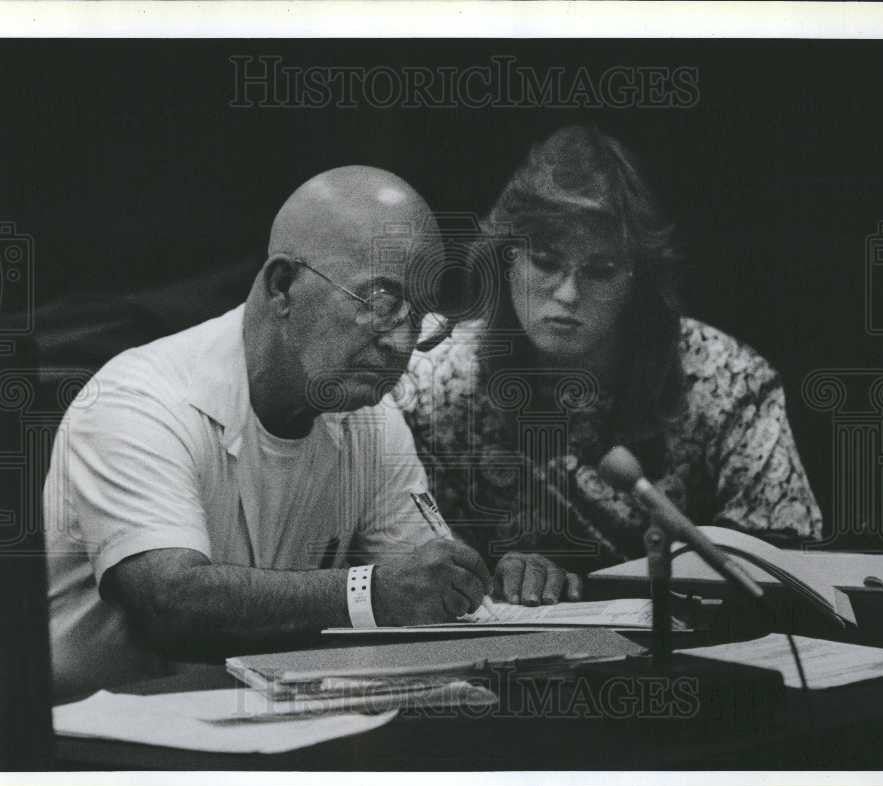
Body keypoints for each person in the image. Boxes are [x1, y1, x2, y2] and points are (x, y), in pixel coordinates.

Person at [45, 166, 511, 700]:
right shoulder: (138, 399)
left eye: (420, 315)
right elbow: (169, 606)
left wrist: (477, 586)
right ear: (282, 286)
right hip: (93, 750)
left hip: (259, 724)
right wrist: (368, 592)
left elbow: (422, 600)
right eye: (381, 304)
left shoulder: (374, 422)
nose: (400, 342)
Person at [399, 126, 823, 586]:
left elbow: (785, 554)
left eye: (600, 271)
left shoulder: (727, 380)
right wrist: (499, 573)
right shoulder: (435, 387)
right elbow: (418, 573)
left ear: (635, 282)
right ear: (506, 259)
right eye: (544, 261)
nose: (567, 293)